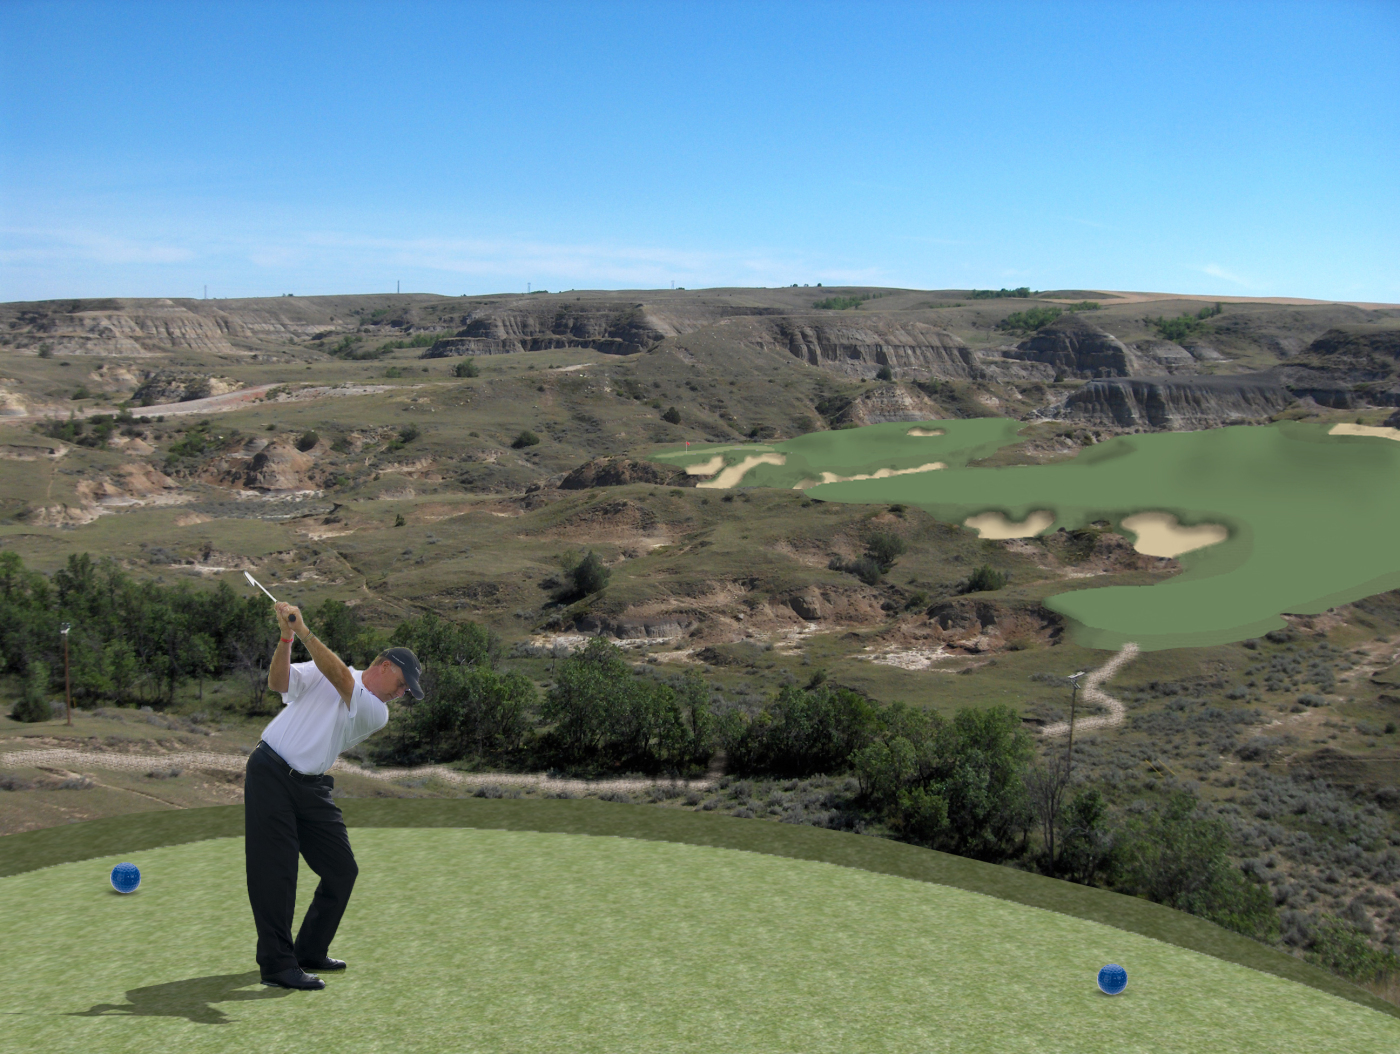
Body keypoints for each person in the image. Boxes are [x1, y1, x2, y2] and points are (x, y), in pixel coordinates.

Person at [245, 600, 423, 990]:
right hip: (270, 772)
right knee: (276, 871)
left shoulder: (376, 710)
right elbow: (279, 682)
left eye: (407, 691)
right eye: (402, 684)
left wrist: (304, 631)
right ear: (385, 666)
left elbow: (341, 677)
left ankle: (309, 950)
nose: (402, 693)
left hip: (311, 786)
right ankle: (277, 965)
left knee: (342, 869)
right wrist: (286, 638)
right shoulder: (324, 669)